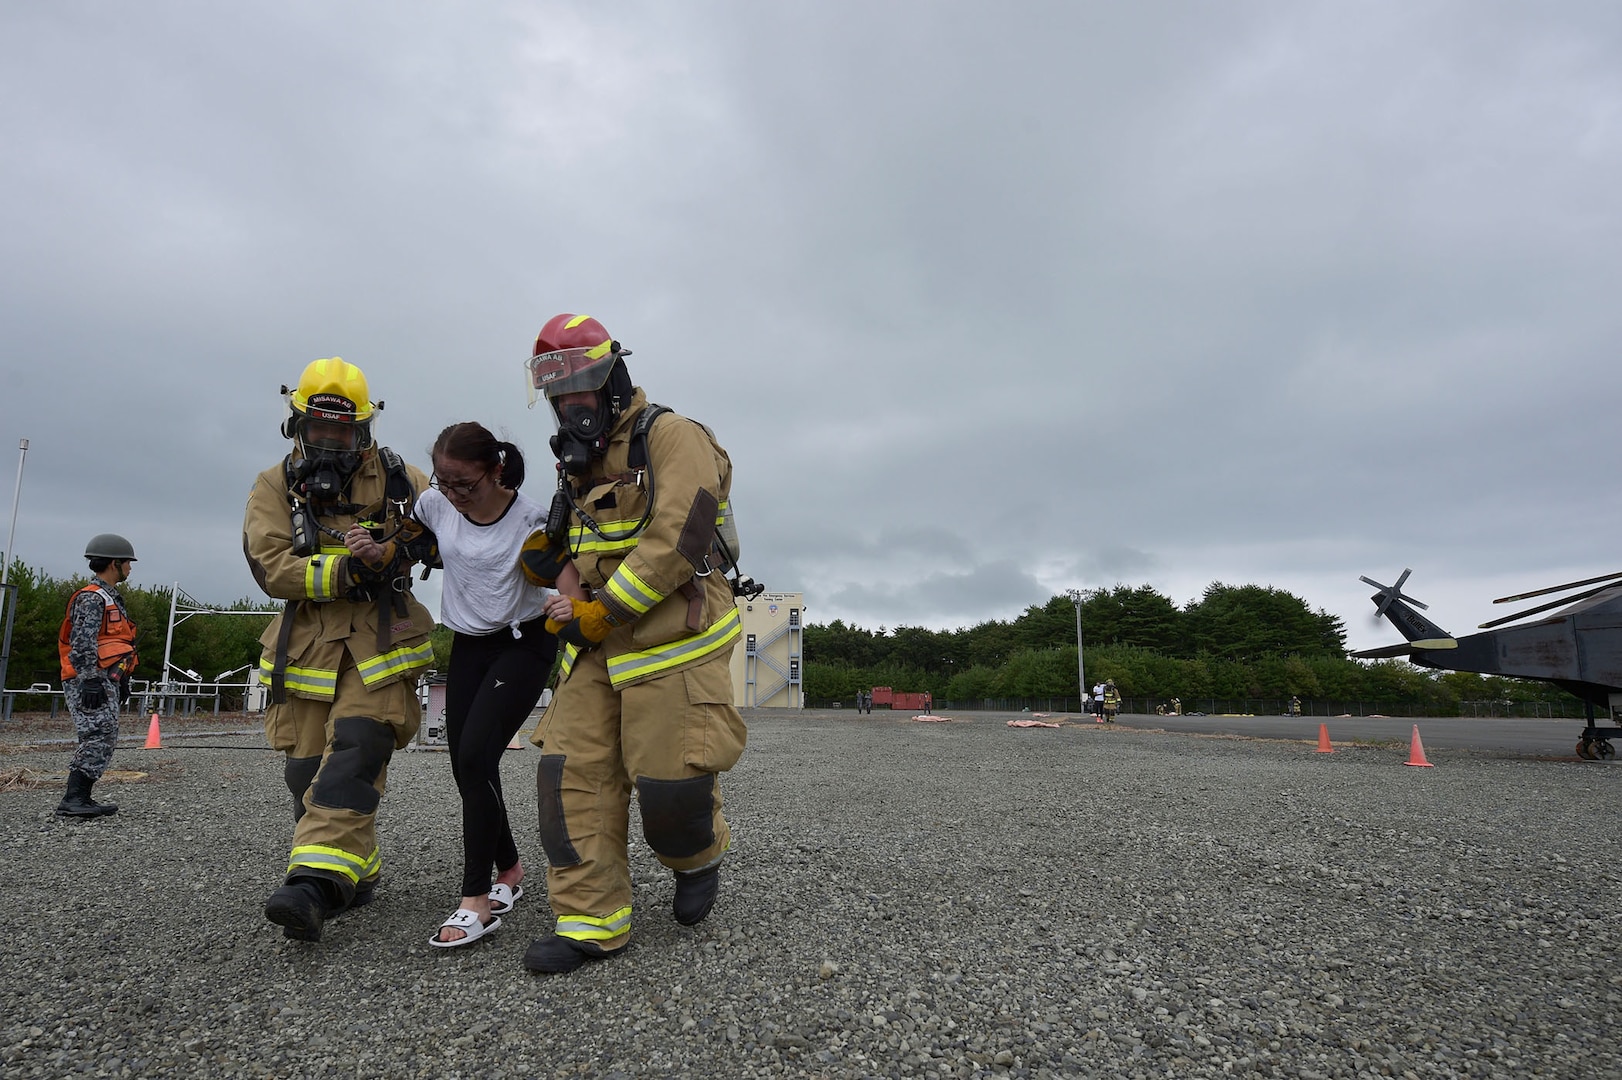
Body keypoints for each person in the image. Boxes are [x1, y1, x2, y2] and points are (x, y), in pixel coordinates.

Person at [517, 313, 748, 974]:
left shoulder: (675, 437)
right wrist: (548, 555)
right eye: (558, 394)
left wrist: (604, 610)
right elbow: (583, 543)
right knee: (569, 779)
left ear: (613, 377)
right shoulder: (576, 464)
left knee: (671, 796)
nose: (569, 405)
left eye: (579, 388)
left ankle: (697, 855)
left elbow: (684, 533)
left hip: (674, 639)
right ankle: (591, 922)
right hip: (594, 649)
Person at [243, 358, 437, 942]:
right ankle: (357, 867)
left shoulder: (404, 480)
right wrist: (345, 569)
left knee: (356, 749)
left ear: (365, 429)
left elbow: (448, 532)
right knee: (306, 772)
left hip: (380, 643)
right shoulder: (273, 485)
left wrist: (395, 551)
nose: (330, 443)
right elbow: (271, 565)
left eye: (343, 432)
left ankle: (310, 884)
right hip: (305, 647)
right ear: (297, 426)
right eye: (319, 430)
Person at [371, 422, 559, 948]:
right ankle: (512, 870)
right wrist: (377, 551)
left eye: (465, 485)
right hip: (470, 642)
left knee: (476, 756)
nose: (452, 494)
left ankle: (475, 900)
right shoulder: (434, 504)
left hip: (525, 641)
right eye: (443, 482)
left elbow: (567, 576)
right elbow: (412, 546)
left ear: (495, 470)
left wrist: (578, 605)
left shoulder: (532, 519)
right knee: (466, 763)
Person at [55, 534, 139, 817]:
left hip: (105, 677)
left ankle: (82, 797)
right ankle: (73, 799)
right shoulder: (92, 598)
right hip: (87, 678)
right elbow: (82, 641)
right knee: (97, 734)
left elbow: (115, 643)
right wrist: (90, 678)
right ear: (115, 563)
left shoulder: (109, 598)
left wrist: (122, 679)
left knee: (105, 734)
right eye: (127, 562)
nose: (130, 568)